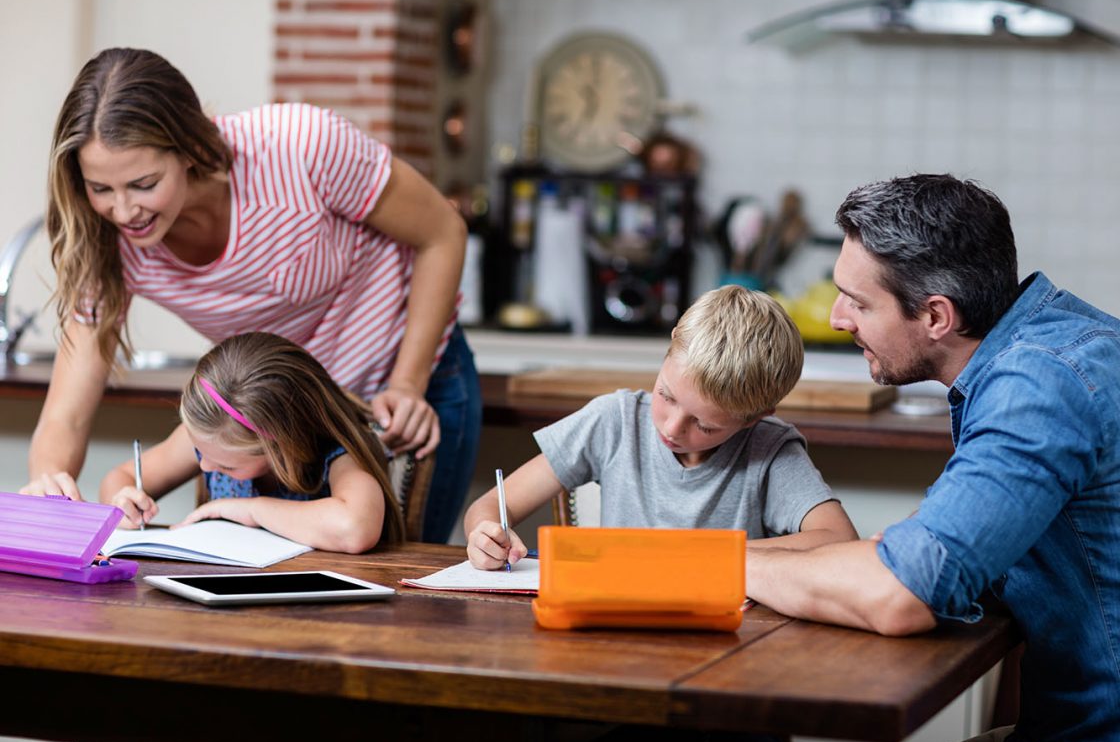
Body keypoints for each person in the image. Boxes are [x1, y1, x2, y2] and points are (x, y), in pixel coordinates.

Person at [21, 47, 479, 542]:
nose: (124, 210)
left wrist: (407, 383)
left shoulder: (301, 147)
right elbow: (66, 411)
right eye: (100, 188)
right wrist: (49, 483)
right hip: (269, 420)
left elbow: (442, 233)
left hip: (401, 387)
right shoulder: (106, 237)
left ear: (190, 147)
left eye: (144, 183)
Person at [745, 174, 1120, 742]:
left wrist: (712, 563)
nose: (840, 318)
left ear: (937, 317)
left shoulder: (1038, 387)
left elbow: (902, 595)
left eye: (860, 302)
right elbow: (935, 558)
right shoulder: (1063, 342)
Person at [464, 285, 857, 570]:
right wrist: (485, 534)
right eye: (666, 395)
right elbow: (490, 506)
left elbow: (838, 539)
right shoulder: (614, 421)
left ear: (757, 417)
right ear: (670, 348)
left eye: (704, 424)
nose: (671, 427)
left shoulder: (769, 450)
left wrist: (703, 554)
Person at [100, 332, 405, 552]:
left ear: (282, 447)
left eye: (225, 465)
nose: (204, 465)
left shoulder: (337, 456)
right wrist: (123, 502)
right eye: (200, 453)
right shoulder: (210, 439)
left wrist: (252, 510)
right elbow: (119, 478)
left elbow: (354, 528)